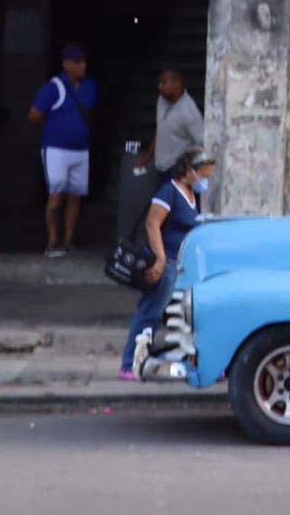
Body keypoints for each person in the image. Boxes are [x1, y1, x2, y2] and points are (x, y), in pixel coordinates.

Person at [121, 148, 213, 380]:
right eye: (203, 174)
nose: (205, 179)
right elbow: (152, 225)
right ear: (189, 171)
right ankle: (128, 363)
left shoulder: (192, 195)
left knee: (182, 315)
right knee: (150, 312)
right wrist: (160, 260)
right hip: (166, 263)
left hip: (181, 265)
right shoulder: (169, 191)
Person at [29, 43, 97, 258]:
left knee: (75, 196)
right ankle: (52, 241)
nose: (83, 65)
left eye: (84, 61)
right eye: (78, 62)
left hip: (81, 150)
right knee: (56, 196)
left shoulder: (89, 86)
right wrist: (55, 127)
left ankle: (68, 241)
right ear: (66, 65)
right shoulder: (53, 88)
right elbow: (34, 114)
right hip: (56, 150)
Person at [140, 67, 204, 175]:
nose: (159, 86)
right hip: (161, 170)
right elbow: (161, 129)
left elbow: (203, 143)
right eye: (159, 82)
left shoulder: (189, 113)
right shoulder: (161, 101)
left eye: (163, 82)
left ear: (177, 83)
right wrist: (149, 155)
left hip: (178, 172)